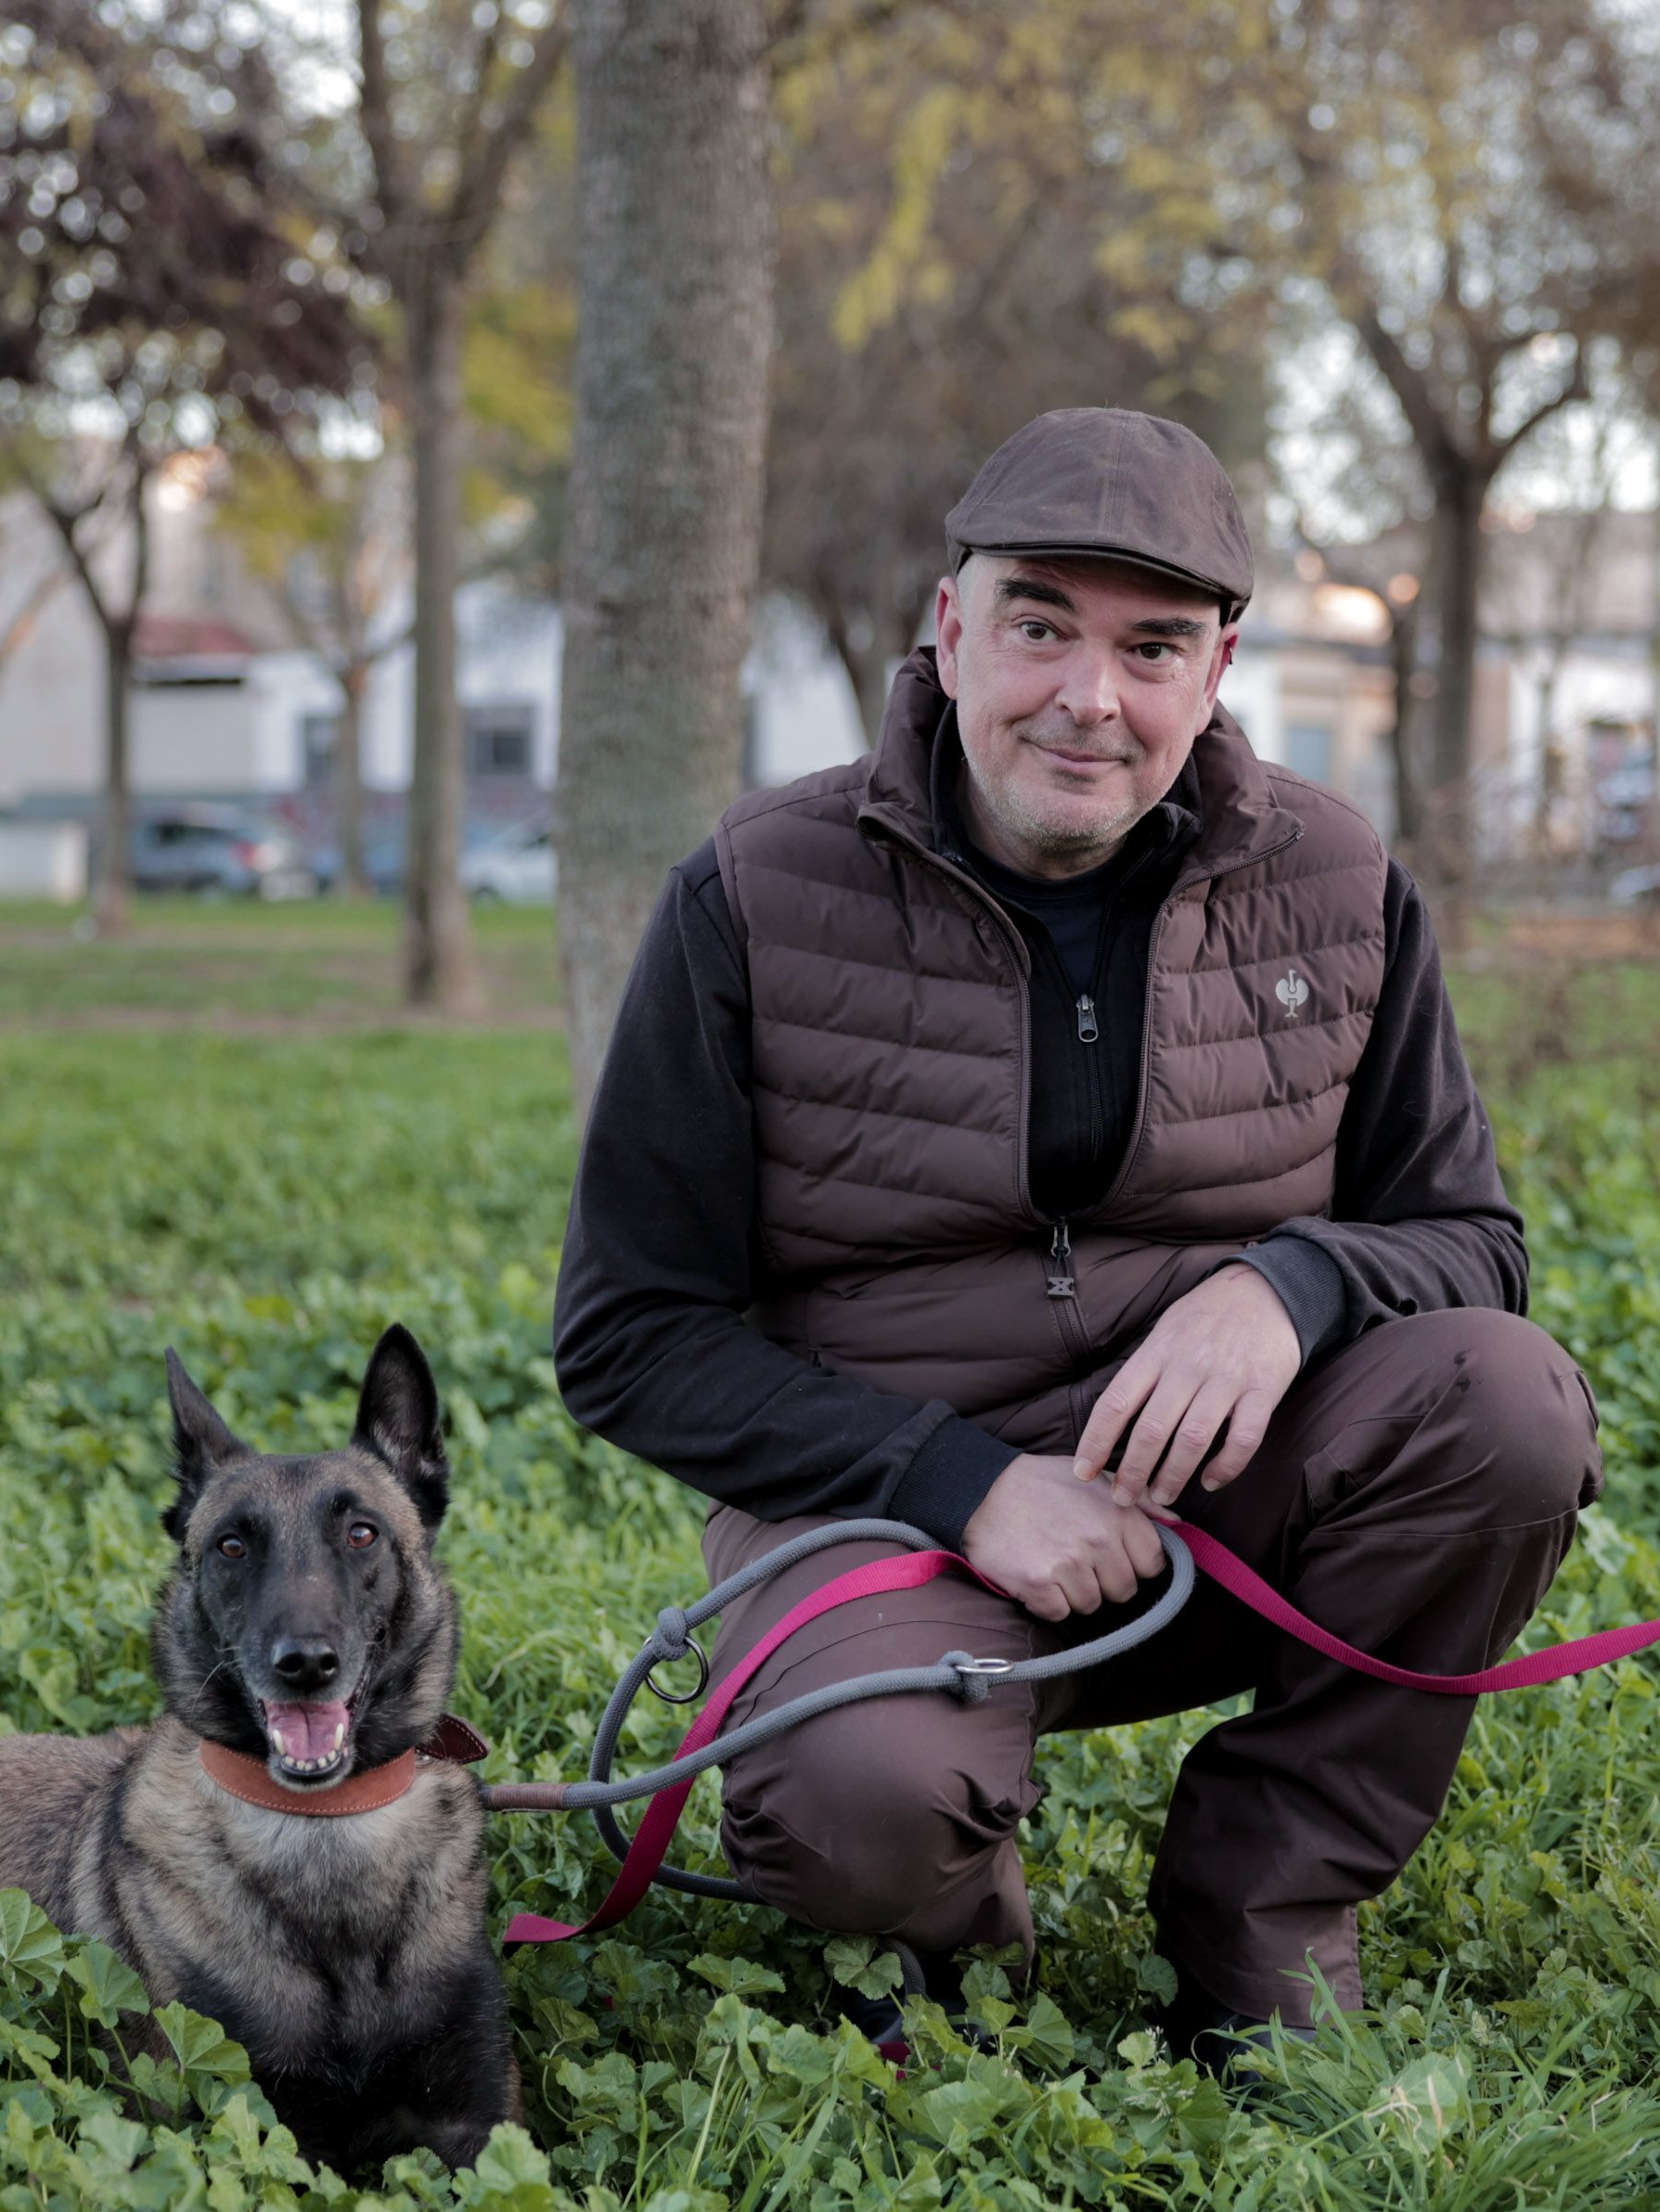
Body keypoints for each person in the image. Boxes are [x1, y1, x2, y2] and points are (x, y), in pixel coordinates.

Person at [553, 406, 1599, 2068]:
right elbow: (628, 1336)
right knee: (858, 1801)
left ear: (1220, 665)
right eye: (1040, 623)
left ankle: (1263, 1918)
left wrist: (1293, 1283)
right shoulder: (752, 890)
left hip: (1225, 1498)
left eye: (1152, 647)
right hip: (887, 1510)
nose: (1087, 699)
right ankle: (956, 1953)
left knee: (1510, 1404)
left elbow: (1469, 1235)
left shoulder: (1335, 879)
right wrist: (961, 1482)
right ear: (951, 625)